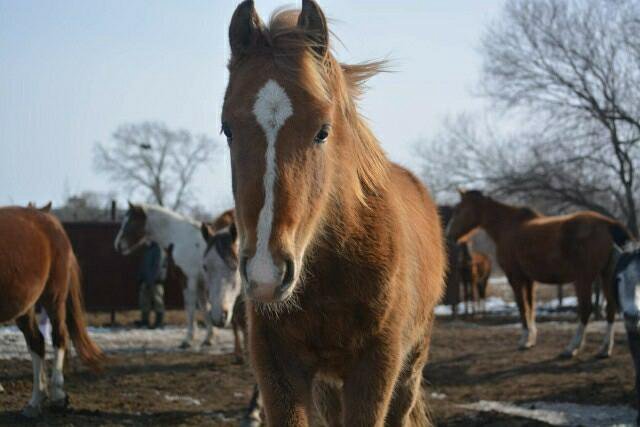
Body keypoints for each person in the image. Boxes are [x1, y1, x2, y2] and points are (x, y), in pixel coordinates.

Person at [135, 241, 166, 329]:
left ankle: (159, 322)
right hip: (146, 280)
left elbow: (158, 266)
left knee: (158, 301)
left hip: (156, 281)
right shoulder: (148, 250)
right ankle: (145, 321)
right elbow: (144, 265)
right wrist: (141, 277)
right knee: (144, 301)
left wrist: (151, 280)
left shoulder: (159, 249)